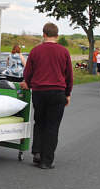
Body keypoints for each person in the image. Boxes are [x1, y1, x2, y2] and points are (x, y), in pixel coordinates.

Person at [20, 22, 72, 170]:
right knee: (52, 126)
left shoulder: (35, 51)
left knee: (39, 122)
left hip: (39, 92)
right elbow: (69, 75)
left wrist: (28, 83)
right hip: (57, 92)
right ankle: (46, 160)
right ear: (57, 35)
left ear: (44, 34)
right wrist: (68, 93)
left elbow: (28, 71)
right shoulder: (64, 52)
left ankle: (37, 152)